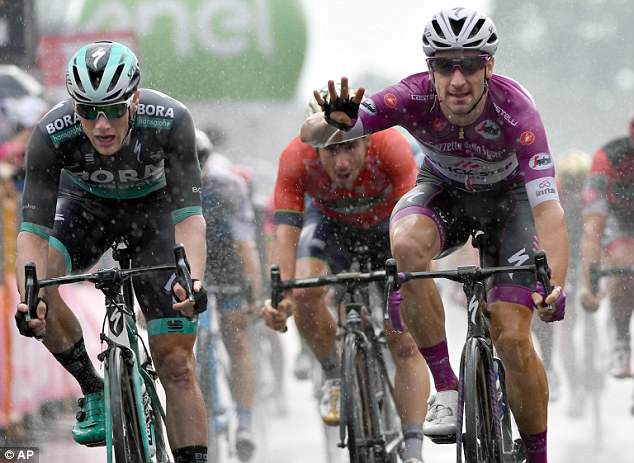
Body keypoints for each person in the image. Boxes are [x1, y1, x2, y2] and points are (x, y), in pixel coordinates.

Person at [300, 8, 568, 463]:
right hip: (446, 194)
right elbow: (311, 133)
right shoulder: (411, 96)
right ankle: (445, 384)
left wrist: (554, 284)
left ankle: (538, 454)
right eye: (445, 65)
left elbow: (548, 209)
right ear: (431, 69)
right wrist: (332, 121)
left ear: (490, 65)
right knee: (404, 244)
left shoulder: (517, 110)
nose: (457, 79)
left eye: (470, 63)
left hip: (510, 205)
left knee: (513, 337)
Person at [14, 41, 208, 463]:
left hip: (155, 216)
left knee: (176, 364)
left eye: (115, 110)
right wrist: (29, 299)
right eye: (87, 110)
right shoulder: (51, 133)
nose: (101, 124)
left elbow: (189, 219)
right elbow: (31, 233)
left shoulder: (171, 120)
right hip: (87, 210)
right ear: (73, 105)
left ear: (135, 99)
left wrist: (190, 279)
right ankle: (93, 385)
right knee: (41, 286)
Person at [263, 89, 430, 463]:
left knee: (402, 339)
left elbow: (416, 227)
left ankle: (414, 448)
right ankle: (333, 373)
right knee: (305, 290)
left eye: (350, 147)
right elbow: (286, 231)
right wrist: (280, 295)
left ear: (368, 139)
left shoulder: (391, 144)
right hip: (331, 227)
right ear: (314, 149)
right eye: (330, 150)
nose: (340, 163)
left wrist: (411, 285)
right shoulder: (295, 157)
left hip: (391, 227)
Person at [197, 129, 261, 462]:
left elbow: (245, 244)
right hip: (193, 265)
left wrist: (253, 293)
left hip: (228, 265)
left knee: (237, 340)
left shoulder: (226, 185)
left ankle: (245, 422)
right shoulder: (167, 185)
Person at [581, 116, 634, 379]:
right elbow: (593, 229)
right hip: (618, 216)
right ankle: (621, 341)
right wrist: (591, 284)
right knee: (625, 267)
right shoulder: (608, 157)